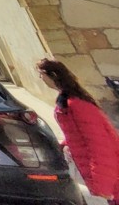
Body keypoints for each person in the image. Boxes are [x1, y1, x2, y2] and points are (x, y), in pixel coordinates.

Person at [37, 58, 119, 205]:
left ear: (52, 75)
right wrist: (64, 145)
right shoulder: (68, 100)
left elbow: (99, 144)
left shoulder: (76, 105)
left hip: (103, 178)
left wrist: (101, 185)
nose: (40, 79)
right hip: (89, 171)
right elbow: (76, 134)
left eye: (41, 74)